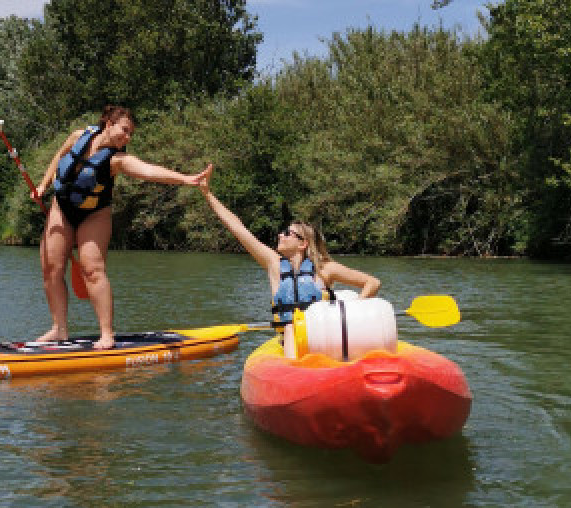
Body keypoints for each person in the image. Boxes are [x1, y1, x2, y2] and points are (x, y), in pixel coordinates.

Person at [33, 105, 212, 350]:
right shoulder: (78, 136)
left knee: (93, 270)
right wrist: (43, 185)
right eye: (124, 130)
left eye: (130, 134)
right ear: (108, 124)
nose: (127, 137)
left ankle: (107, 334)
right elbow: (59, 157)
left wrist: (186, 179)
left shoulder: (117, 160)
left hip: (94, 214)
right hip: (61, 207)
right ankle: (59, 329)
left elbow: (150, 171)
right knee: (51, 268)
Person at [196, 176, 380, 325]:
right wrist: (207, 193)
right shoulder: (274, 264)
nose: (280, 235)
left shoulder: (325, 269)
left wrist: (351, 312)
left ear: (303, 244)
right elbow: (237, 227)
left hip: (320, 340)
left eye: (287, 233)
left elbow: (372, 283)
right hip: (289, 338)